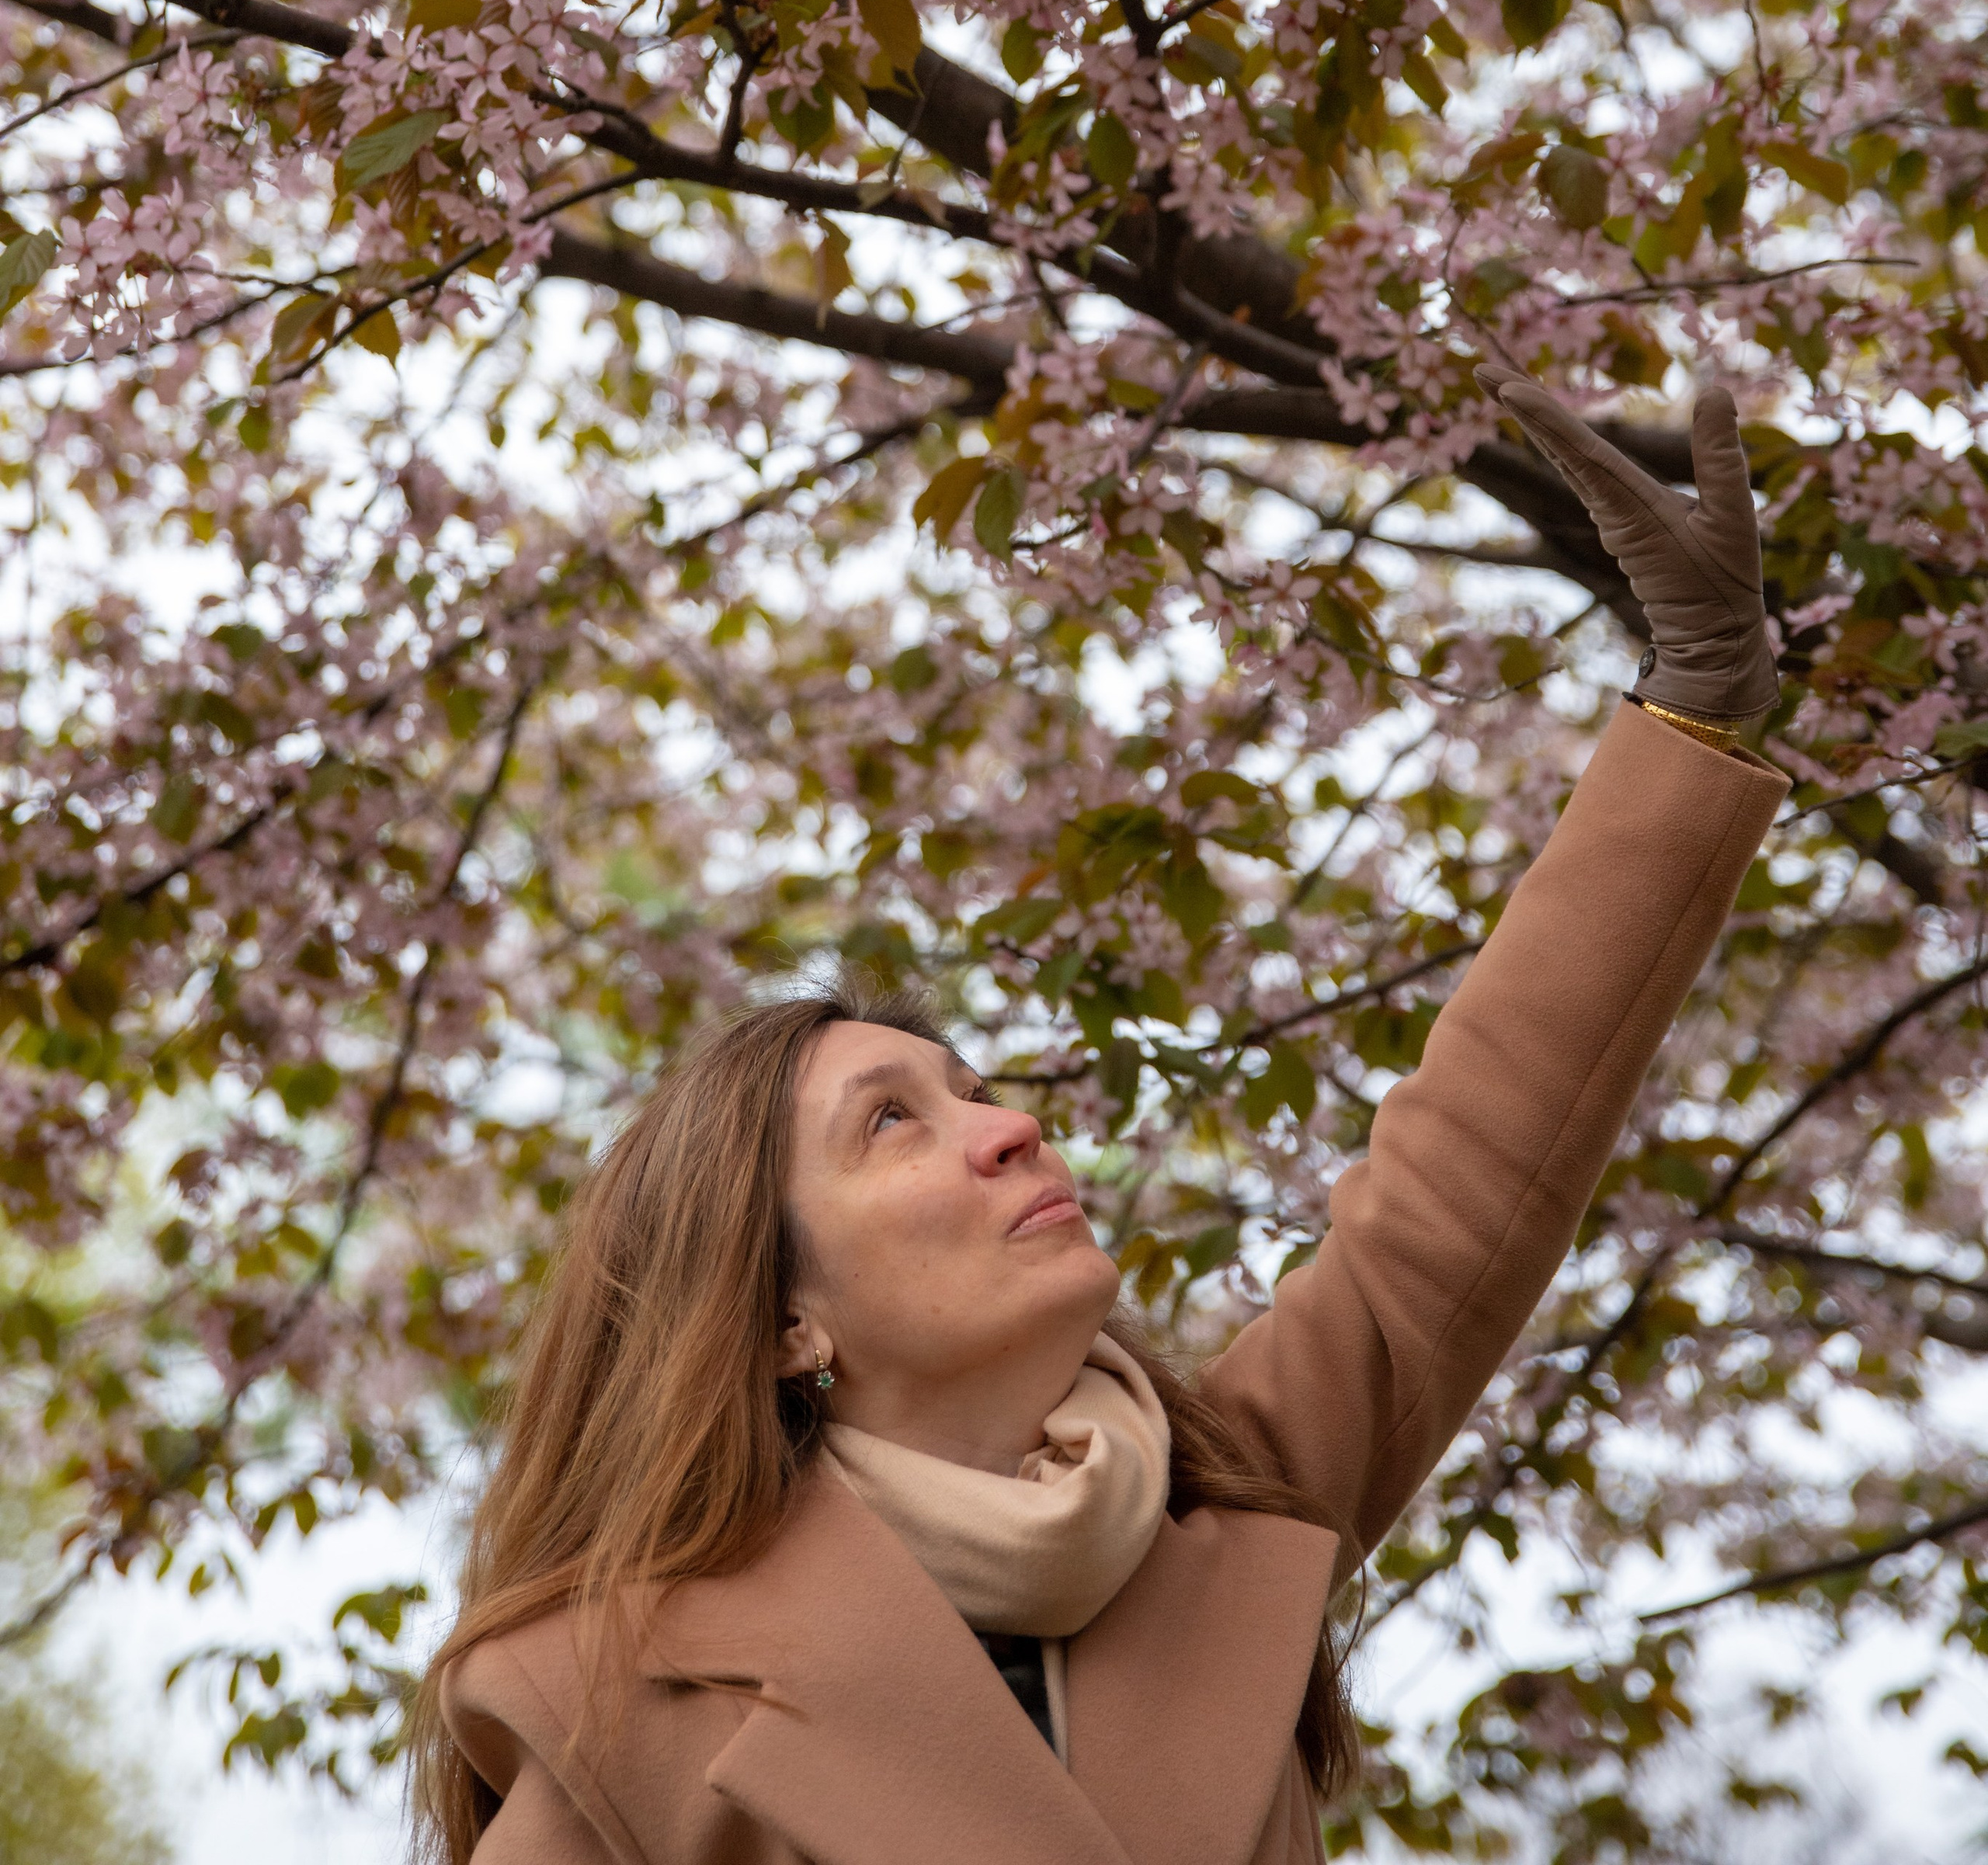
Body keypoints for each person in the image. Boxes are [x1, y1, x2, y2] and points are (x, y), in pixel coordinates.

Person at [408, 380, 1788, 1864]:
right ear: (780, 1322)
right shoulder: (624, 1721)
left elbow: (1477, 1156)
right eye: (890, 1124)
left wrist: (1696, 702)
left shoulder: (1238, 1502)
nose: (1007, 1133)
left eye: (982, 1097)